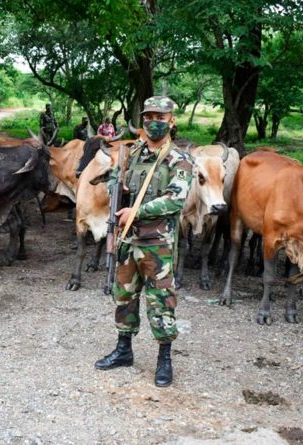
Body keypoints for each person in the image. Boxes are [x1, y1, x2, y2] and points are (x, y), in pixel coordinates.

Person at [95, 95, 193, 388]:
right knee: (124, 295)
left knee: (161, 301)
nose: (153, 122)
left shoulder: (180, 160)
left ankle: (164, 359)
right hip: (129, 240)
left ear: (171, 121)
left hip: (157, 243)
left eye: (160, 118)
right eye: (149, 117)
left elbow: (175, 200)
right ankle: (124, 350)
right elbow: (114, 178)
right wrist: (118, 185)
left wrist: (135, 211)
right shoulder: (133, 153)